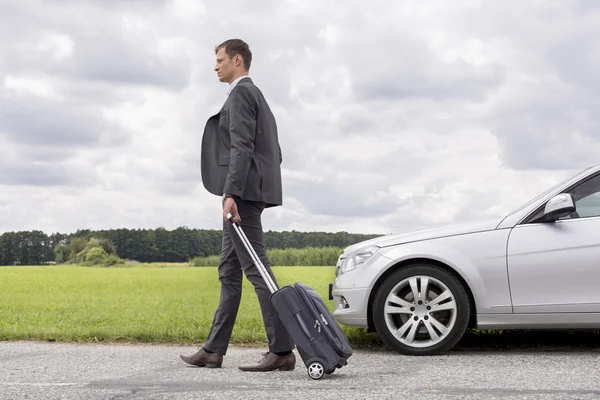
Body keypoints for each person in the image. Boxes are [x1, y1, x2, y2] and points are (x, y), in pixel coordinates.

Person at [180, 39, 296, 372]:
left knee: (257, 270)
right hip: (246, 193)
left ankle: (282, 350)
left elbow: (242, 147)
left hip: (242, 197)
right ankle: (213, 350)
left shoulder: (243, 93)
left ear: (237, 60)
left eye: (219, 60)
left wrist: (231, 193)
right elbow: (275, 152)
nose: (215, 66)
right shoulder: (256, 96)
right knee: (229, 273)